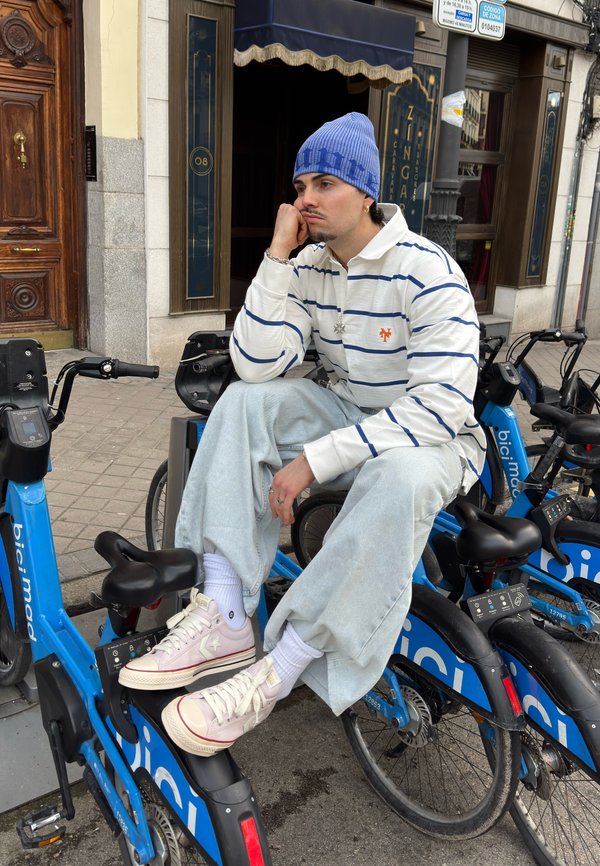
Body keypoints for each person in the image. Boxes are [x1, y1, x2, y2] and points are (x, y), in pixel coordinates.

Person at [119, 112, 485, 756]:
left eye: (324, 184)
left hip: (436, 442)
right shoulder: (310, 265)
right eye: (300, 186)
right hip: (348, 412)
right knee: (244, 404)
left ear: (365, 193)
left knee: (398, 477)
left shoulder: (426, 270)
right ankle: (226, 612)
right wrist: (276, 257)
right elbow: (257, 365)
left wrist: (315, 460)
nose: (305, 199)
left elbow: (441, 407)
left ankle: (275, 674)